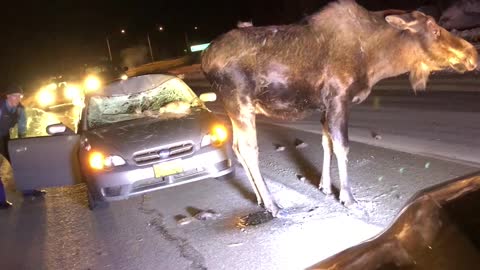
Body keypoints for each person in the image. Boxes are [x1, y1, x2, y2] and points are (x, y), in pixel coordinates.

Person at [0, 85, 45, 209]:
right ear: (8, 96)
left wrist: (21, 143)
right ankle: (1, 201)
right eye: (14, 96)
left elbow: (22, 127)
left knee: (20, 162)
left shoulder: (20, 109)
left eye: (20, 96)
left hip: (4, 136)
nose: (17, 98)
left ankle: (28, 190)